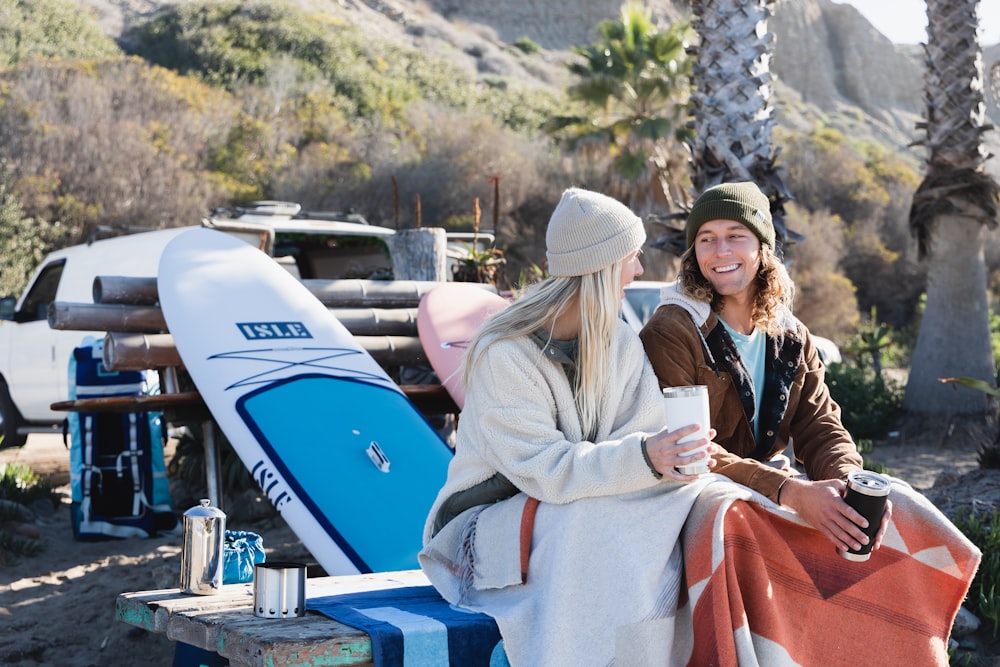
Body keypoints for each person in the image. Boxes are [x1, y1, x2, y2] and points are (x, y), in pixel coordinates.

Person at [419, 187, 717, 667]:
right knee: (591, 523)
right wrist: (645, 457)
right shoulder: (506, 353)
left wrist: (672, 458)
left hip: (581, 505)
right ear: (600, 267)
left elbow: (641, 433)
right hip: (486, 524)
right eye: (631, 257)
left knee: (698, 503)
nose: (639, 270)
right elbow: (545, 470)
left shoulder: (618, 340)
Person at [639, 181, 890, 557]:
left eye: (735, 235)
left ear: (762, 247)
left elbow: (820, 427)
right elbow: (688, 451)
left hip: (770, 489)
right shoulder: (672, 330)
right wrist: (790, 492)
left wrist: (847, 488)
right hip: (698, 501)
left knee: (899, 512)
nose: (720, 250)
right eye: (706, 239)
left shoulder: (791, 336)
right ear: (694, 253)